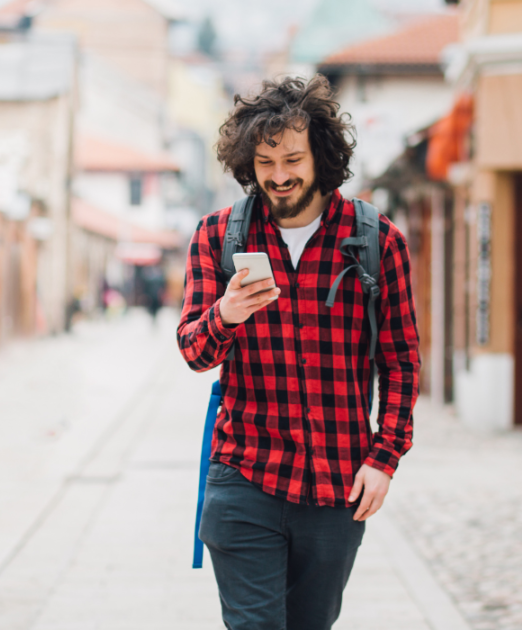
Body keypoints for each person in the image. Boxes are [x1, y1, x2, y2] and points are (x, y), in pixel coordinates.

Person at [176, 75, 420, 630]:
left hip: (336, 486)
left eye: (291, 159)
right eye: (265, 163)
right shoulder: (219, 236)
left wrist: (384, 459)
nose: (280, 176)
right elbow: (193, 350)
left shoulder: (376, 240)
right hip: (244, 477)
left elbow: (401, 360)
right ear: (248, 164)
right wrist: (226, 314)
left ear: (321, 154)